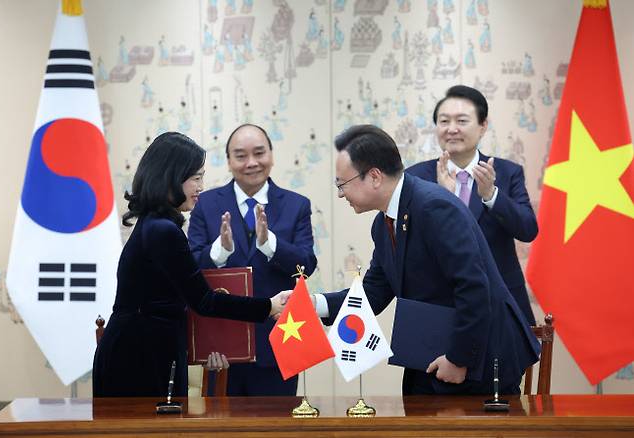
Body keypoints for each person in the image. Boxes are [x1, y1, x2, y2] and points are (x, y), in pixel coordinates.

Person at [313, 124, 539, 395]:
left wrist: (459, 358)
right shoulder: (384, 223)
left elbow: (473, 286)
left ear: (374, 176)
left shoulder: (433, 207)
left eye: (342, 184)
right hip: (433, 355)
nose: (340, 194)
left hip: (478, 359)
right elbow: (374, 291)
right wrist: (314, 304)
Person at [92, 132, 288, 398]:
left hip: (143, 351)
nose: (201, 186)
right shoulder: (163, 230)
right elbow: (203, 301)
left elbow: (177, 296)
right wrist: (269, 306)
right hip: (139, 359)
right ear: (171, 177)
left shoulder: (156, 224)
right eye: (196, 177)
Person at [188, 124, 317, 396]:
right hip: (220, 343)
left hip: (279, 341)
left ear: (271, 154)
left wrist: (269, 243)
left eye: (259, 153)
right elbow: (191, 270)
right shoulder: (205, 204)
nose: (251, 163)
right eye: (241, 155)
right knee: (219, 430)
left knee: (276, 428)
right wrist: (219, 251)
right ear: (228, 161)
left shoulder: (297, 205)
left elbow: (307, 264)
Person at [406, 85, 537, 324]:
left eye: (462, 120)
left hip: (498, 303)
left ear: (483, 126)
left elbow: (528, 229)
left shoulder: (506, 172)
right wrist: (444, 201)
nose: (452, 129)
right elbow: (409, 241)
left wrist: (491, 196)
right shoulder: (416, 178)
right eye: (444, 121)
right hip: (437, 305)